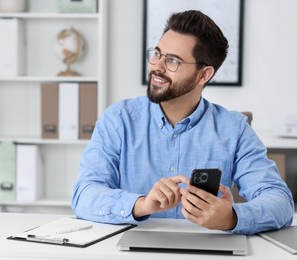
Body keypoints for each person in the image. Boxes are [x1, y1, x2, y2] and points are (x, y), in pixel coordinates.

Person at [71, 10, 294, 235]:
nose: (157, 66)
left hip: (207, 251)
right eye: (157, 54)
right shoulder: (118, 120)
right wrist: (141, 203)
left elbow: (280, 201)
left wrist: (231, 217)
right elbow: (84, 194)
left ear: (203, 75)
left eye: (172, 61)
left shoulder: (234, 130)